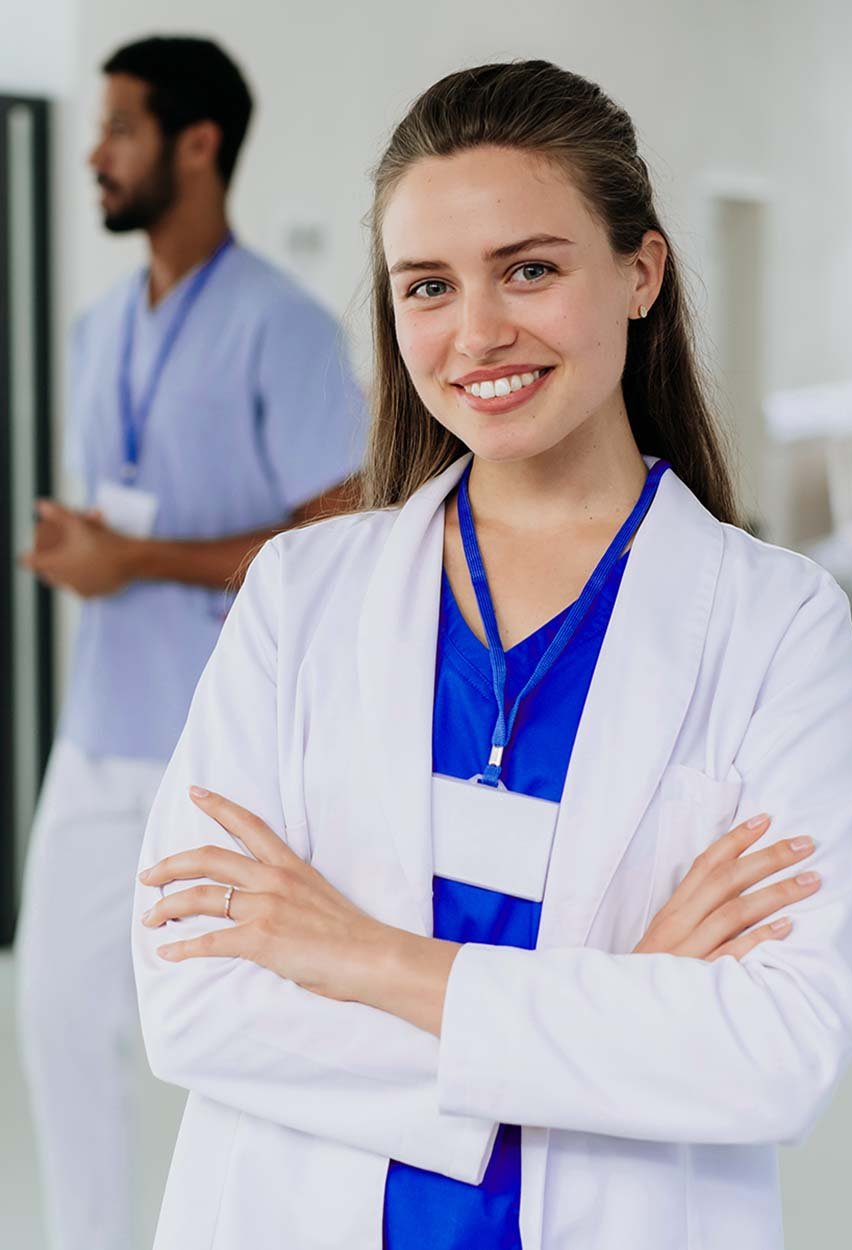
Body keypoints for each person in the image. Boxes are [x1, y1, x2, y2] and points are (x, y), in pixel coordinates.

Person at [132, 59, 852, 1250]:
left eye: (529, 268)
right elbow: (192, 1000)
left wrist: (361, 955)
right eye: (426, 286)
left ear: (639, 272)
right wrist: (617, 1001)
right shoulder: (299, 595)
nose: (477, 332)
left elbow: (775, 1051)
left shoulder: (773, 623)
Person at [16, 35, 367, 1250]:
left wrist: (137, 562)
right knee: (58, 1014)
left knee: (248, 1041)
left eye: (118, 129)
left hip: (227, 746)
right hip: (103, 725)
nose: (96, 155)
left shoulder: (284, 326)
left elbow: (336, 540)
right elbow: (126, 504)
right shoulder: (96, 327)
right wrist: (85, 545)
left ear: (196, 143)